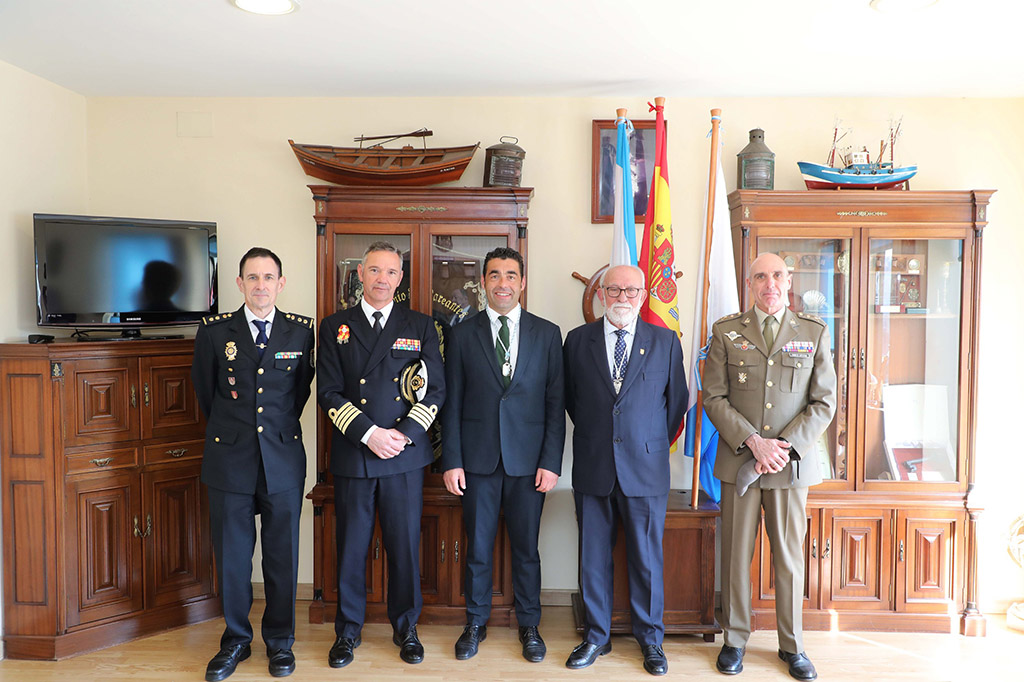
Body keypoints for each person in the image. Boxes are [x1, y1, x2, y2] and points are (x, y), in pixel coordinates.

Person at [702, 252, 837, 681]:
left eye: (777, 275)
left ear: (789, 279)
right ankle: (735, 640)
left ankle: (792, 645)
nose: (769, 284)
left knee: (789, 559)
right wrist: (754, 442)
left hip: (789, 465)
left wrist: (781, 447)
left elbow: (824, 403)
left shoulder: (813, 332)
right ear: (749, 283)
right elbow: (713, 397)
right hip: (741, 460)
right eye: (760, 276)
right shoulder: (727, 332)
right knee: (736, 556)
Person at [316, 241, 445, 668]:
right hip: (356, 455)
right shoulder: (336, 325)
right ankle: (347, 632)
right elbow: (329, 392)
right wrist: (369, 434)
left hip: (404, 457)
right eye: (374, 270)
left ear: (400, 279)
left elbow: (435, 389)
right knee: (351, 547)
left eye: (391, 272)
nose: (382, 279)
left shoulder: (421, 325)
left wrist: (402, 435)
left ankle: (406, 628)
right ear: (359, 274)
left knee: (404, 545)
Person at [191, 247, 315, 681]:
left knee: (281, 557)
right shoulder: (213, 331)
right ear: (239, 284)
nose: (261, 285)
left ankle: (280, 643)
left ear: (281, 284)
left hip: (281, 458)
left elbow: (297, 396)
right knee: (233, 557)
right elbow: (208, 395)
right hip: (230, 460)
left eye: (268, 277)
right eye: (252, 277)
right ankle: (236, 640)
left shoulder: (301, 332)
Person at [562, 264, 688, 677]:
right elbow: (571, 401)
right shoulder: (577, 341)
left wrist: (646, 441)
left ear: (644, 295)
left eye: (631, 290)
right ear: (601, 294)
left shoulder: (666, 342)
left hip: (646, 467)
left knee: (647, 559)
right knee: (593, 558)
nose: (622, 297)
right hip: (594, 463)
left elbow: (676, 405)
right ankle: (596, 636)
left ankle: (651, 640)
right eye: (613, 289)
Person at [440, 247, 565, 663]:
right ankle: (475, 623)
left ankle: (529, 625)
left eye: (511, 275)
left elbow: (554, 403)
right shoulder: (461, 334)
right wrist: (452, 460)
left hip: (530, 465)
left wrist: (551, 462)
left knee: (526, 548)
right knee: (477, 547)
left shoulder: (547, 334)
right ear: (483, 283)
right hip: (477, 462)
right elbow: (452, 403)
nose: (503, 284)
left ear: (522, 282)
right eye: (494, 275)